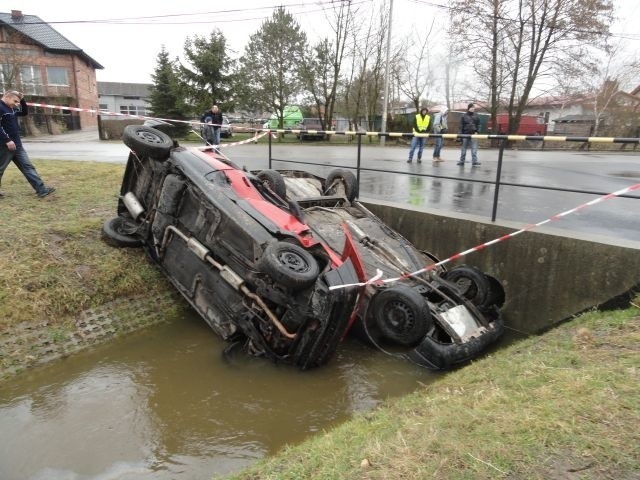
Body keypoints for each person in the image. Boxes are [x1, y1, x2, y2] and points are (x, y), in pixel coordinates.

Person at [0, 90, 55, 198]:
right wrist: (7, 140)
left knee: (28, 167)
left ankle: (42, 190)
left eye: (18, 102)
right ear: (6, 97)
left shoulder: (12, 108)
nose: (17, 104)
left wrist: (22, 99)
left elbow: (24, 112)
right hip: (4, 146)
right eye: (15, 101)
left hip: (17, 145)